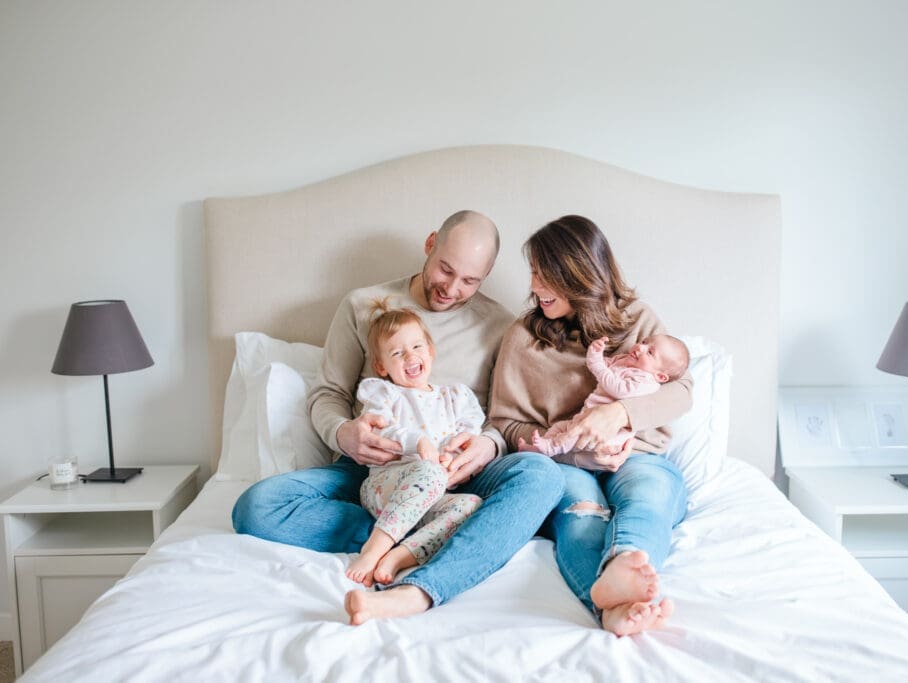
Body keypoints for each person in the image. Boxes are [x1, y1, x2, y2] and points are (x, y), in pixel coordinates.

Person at [231, 210, 563, 625]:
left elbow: (505, 417)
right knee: (256, 507)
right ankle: (430, 533)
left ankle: (418, 583)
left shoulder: (499, 326)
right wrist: (344, 434)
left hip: (458, 471)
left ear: (487, 275)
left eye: (470, 281)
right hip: (375, 468)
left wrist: (488, 444)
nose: (453, 288)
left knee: (543, 474)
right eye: (445, 269)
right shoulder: (363, 304)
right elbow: (329, 394)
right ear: (429, 245)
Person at [489, 215, 693, 637]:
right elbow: (504, 422)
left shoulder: (638, 321)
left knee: (649, 497)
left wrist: (618, 415)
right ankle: (612, 608)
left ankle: (624, 565)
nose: (533, 286)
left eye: (544, 275)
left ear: (579, 274)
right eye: (533, 273)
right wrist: (575, 448)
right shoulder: (524, 338)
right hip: (566, 461)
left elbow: (682, 391)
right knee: (581, 515)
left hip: (637, 456)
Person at [346, 300, 485, 586]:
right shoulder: (386, 396)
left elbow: (469, 433)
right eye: (397, 352)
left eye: (417, 347)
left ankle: (400, 556)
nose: (410, 355)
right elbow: (377, 433)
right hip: (385, 487)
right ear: (381, 367)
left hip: (428, 498)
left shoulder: (454, 397)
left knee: (471, 505)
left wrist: (453, 454)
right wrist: (417, 441)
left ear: (431, 352)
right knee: (430, 471)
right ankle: (373, 549)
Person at [523, 334, 690, 456]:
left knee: (570, 435)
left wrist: (599, 367)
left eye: (650, 352)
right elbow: (604, 365)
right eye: (644, 342)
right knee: (559, 428)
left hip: (608, 434)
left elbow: (618, 388)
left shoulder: (646, 381)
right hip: (587, 418)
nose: (640, 347)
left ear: (660, 376)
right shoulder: (626, 361)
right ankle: (539, 449)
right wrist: (596, 353)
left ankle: (550, 448)